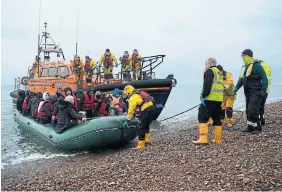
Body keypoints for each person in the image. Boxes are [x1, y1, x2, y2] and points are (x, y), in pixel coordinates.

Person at [235, 49, 268, 134]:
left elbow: (264, 78)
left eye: (244, 56)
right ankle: (250, 127)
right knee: (248, 111)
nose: (242, 57)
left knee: (253, 110)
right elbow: (240, 81)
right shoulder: (244, 67)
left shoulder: (257, 66)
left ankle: (258, 127)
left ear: (249, 56)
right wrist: (235, 90)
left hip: (256, 91)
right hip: (247, 92)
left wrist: (263, 91)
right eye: (241, 56)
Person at [193, 57, 224, 145]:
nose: (205, 66)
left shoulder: (209, 71)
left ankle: (203, 138)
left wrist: (203, 96)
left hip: (209, 99)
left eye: (206, 64)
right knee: (217, 118)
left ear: (210, 63)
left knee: (202, 116)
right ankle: (218, 140)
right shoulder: (219, 72)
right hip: (218, 99)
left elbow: (207, 86)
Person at [258, 60, 271, 126]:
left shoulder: (259, 67)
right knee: (262, 105)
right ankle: (262, 118)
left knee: (257, 105)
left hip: (260, 89)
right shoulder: (268, 67)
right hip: (266, 90)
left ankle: (258, 120)